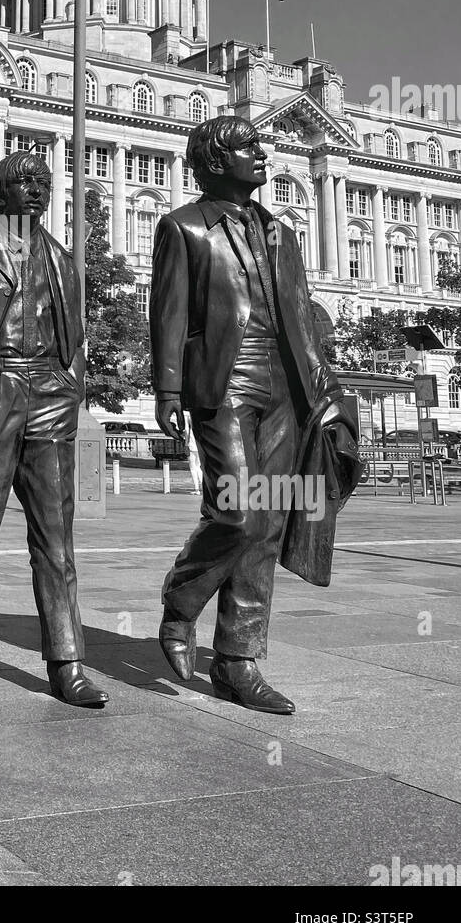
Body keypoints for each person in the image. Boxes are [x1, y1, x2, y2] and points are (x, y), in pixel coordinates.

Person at [150, 116, 343, 714]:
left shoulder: (281, 232)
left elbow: (300, 313)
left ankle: (237, 660)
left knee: (269, 521)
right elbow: (169, 313)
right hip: (222, 382)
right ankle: (182, 598)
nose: (262, 154)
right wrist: (168, 390)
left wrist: (323, 386)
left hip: (285, 387)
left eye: (261, 145)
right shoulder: (184, 226)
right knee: (236, 511)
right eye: (246, 147)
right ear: (212, 162)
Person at [0, 152, 108, 706]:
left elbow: (73, 337)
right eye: (22, 181)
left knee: (55, 534)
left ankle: (66, 659)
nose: (35, 190)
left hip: (49, 390)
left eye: (42, 182)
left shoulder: (64, 260)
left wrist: (70, 387)